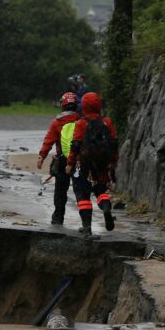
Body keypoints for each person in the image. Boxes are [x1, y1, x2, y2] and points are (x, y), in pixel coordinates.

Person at [67, 92, 118, 236]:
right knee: (101, 191)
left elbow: (76, 144)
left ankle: (87, 227)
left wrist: (70, 163)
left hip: (83, 164)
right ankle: (106, 209)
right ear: (99, 105)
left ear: (83, 106)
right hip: (102, 164)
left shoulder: (81, 123)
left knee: (83, 195)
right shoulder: (107, 121)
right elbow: (114, 143)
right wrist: (113, 163)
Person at [37, 92, 82, 225]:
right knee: (81, 190)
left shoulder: (57, 122)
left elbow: (49, 140)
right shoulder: (81, 120)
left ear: (62, 105)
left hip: (62, 160)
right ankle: (86, 222)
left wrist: (41, 156)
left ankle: (58, 217)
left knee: (60, 190)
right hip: (79, 161)